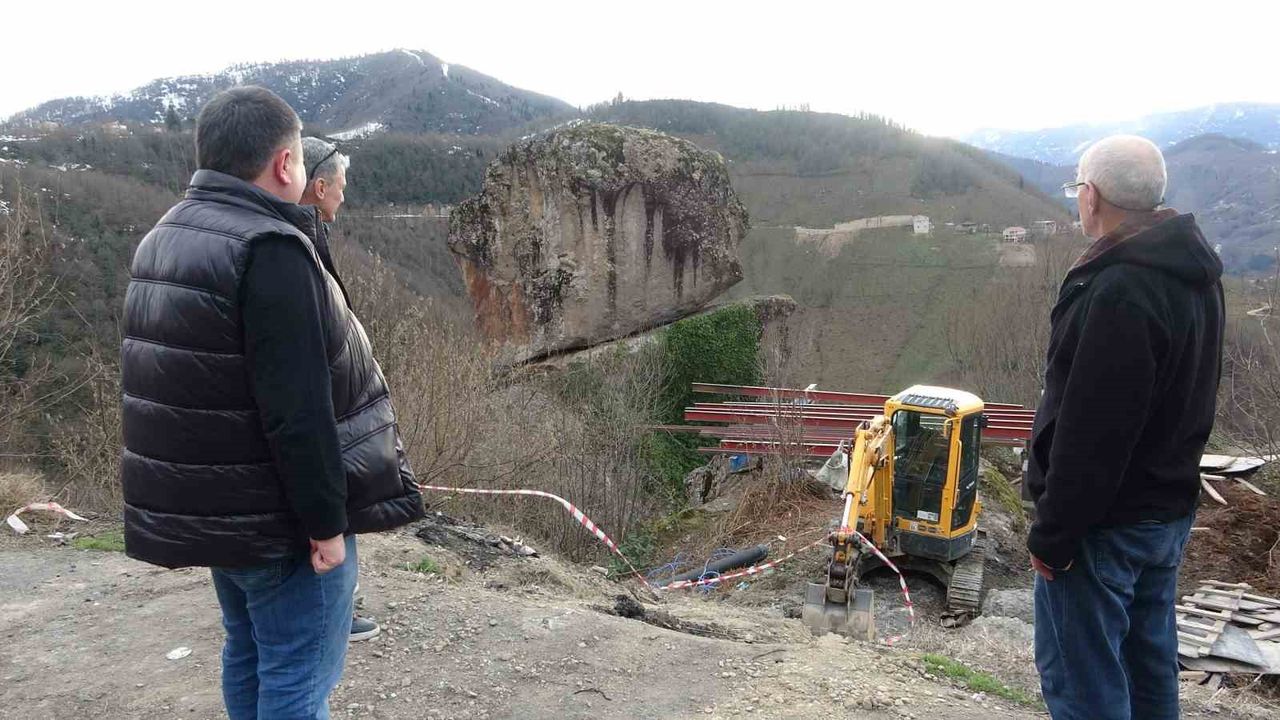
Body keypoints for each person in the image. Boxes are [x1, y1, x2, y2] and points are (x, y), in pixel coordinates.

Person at [120, 86, 424, 719]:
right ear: (286, 163)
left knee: (250, 651)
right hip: (278, 519)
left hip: (219, 508)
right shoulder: (270, 248)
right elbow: (298, 411)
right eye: (300, 158)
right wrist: (326, 524)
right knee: (297, 674)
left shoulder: (165, 236)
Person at [1026, 134, 1224, 719]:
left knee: (1084, 684)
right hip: (1165, 512)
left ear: (1090, 195)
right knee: (1147, 671)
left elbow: (1093, 430)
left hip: (1104, 527)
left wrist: (1055, 534)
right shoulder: (1193, 272)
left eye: (1076, 190)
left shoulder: (1121, 289)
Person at [298, 135, 378, 643]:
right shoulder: (292, 245)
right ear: (320, 186)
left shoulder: (305, 234)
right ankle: (330, 617)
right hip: (320, 424)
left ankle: (334, 610)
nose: (345, 195)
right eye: (341, 186)